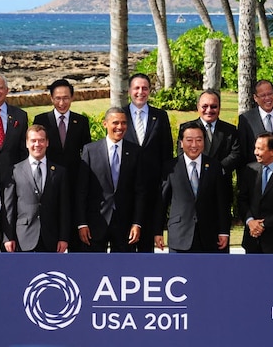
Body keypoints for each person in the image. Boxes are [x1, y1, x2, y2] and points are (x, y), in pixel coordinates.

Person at [177, 90, 241, 251]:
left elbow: (236, 154)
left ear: (219, 108)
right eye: (204, 106)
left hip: (219, 194)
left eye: (214, 106)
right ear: (198, 107)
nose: (209, 110)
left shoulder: (230, 130)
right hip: (192, 195)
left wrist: (214, 170)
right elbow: (181, 156)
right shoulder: (186, 129)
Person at [76, 108, 146, 252]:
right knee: (94, 269)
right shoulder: (90, 150)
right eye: (115, 123)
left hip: (125, 225)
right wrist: (82, 223)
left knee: (124, 269)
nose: (120, 127)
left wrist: (137, 223)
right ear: (105, 124)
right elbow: (82, 190)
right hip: (96, 222)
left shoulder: (136, 152)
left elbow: (140, 191)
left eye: (124, 123)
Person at [33, 78, 90, 250]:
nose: (62, 102)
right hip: (49, 183)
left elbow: (86, 154)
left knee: (72, 231)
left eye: (65, 98)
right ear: (51, 98)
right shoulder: (41, 119)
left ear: (72, 98)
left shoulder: (81, 122)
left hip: (73, 183)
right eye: (57, 98)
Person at [155, 123, 229, 253]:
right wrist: (157, 231)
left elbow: (222, 201)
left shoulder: (214, 166)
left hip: (208, 236)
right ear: (181, 142)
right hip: (180, 235)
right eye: (189, 140)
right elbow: (162, 201)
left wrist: (224, 231)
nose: (194, 145)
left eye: (199, 140)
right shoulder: (171, 167)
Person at [123, 73, 174, 252]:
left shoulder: (160, 116)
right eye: (136, 88)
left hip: (152, 190)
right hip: (125, 191)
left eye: (145, 88)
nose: (140, 92)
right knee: (124, 245)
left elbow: (167, 152)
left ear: (149, 91)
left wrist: (164, 182)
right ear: (129, 90)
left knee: (146, 247)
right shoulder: (120, 115)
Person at [2, 124, 70, 253]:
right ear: (27, 143)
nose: (37, 144)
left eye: (41, 140)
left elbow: (64, 208)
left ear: (47, 143)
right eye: (33, 140)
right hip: (23, 238)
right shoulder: (14, 171)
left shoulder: (60, 172)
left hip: (51, 239)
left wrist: (64, 237)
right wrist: (8, 237)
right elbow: (9, 207)